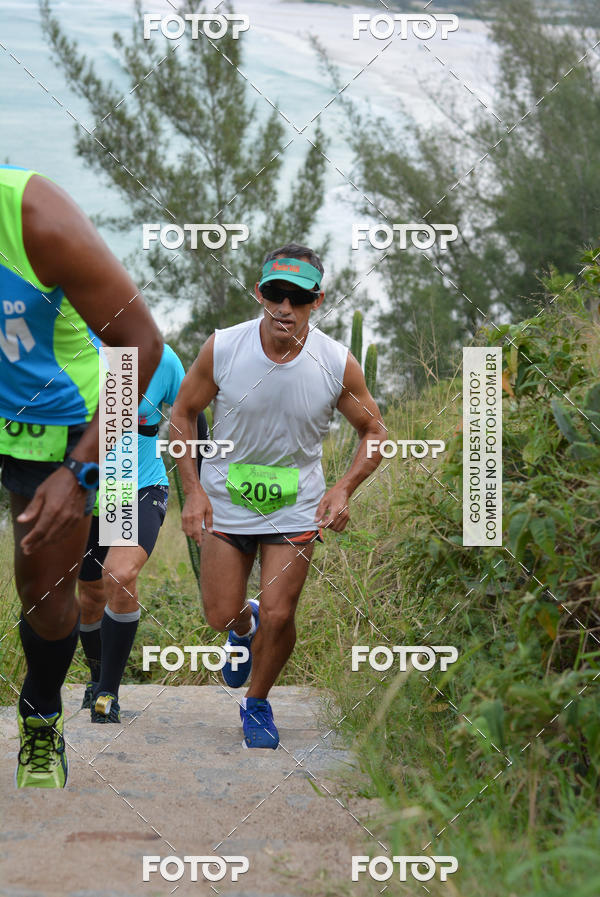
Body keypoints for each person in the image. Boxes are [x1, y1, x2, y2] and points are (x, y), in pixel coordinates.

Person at [170, 243, 385, 749]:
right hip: (226, 500)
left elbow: (374, 432)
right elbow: (182, 415)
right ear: (259, 293)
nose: (284, 307)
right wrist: (194, 490)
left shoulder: (336, 361)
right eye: (274, 294)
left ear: (317, 300)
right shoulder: (224, 347)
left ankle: (258, 702)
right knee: (220, 613)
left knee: (283, 612)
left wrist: (344, 487)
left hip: (294, 506)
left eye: (298, 298)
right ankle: (241, 628)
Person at [0, 166, 163, 787]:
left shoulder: (34, 215)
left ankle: (41, 714)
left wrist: (80, 471)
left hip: (58, 428)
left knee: (44, 601)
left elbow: (140, 345)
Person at [77, 348, 208, 723]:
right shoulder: (74, 352)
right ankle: (95, 676)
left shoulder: (161, 359)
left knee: (119, 575)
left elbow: (190, 412)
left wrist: (197, 486)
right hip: (82, 492)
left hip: (136, 485)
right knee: (89, 594)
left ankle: (107, 693)